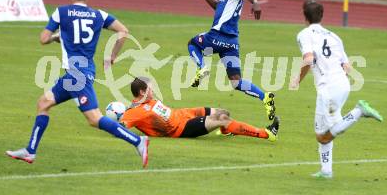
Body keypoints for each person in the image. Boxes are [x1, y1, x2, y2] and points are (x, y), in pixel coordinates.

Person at [6, 0, 149, 167]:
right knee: (43, 102)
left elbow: (43, 38)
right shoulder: (99, 15)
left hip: (77, 75)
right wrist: (112, 56)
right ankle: (30, 151)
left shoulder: (62, 12)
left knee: (94, 119)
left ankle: (138, 141)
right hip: (77, 73)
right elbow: (123, 31)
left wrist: (56, 38)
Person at [291, 0, 383, 178]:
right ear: (322, 15)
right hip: (340, 84)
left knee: (323, 135)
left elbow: (309, 60)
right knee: (323, 130)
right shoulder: (334, 36)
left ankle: (359, 111)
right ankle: (326, 171)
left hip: (329, 88)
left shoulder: (304, 34)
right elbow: (347, 67)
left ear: (305, 16)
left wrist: (298, 79)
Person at [186, 0, 276, 122]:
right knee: (236, 82)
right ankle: (265, 97)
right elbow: (216, 6)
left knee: (192, 43)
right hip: (231, 43)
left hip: (217, 36)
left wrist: (255, 3)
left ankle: (202, 67)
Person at [119, 77, 280, 141]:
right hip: (181, 129)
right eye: (150, 88)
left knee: (223, 112)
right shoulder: (135, 112)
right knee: (223, 119)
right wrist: (118, 115)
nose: (153, 91)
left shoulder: (142, 102)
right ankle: (266, 134)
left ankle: (228, 129)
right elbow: (121, 126)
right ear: (141, 92)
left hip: (184, 114)